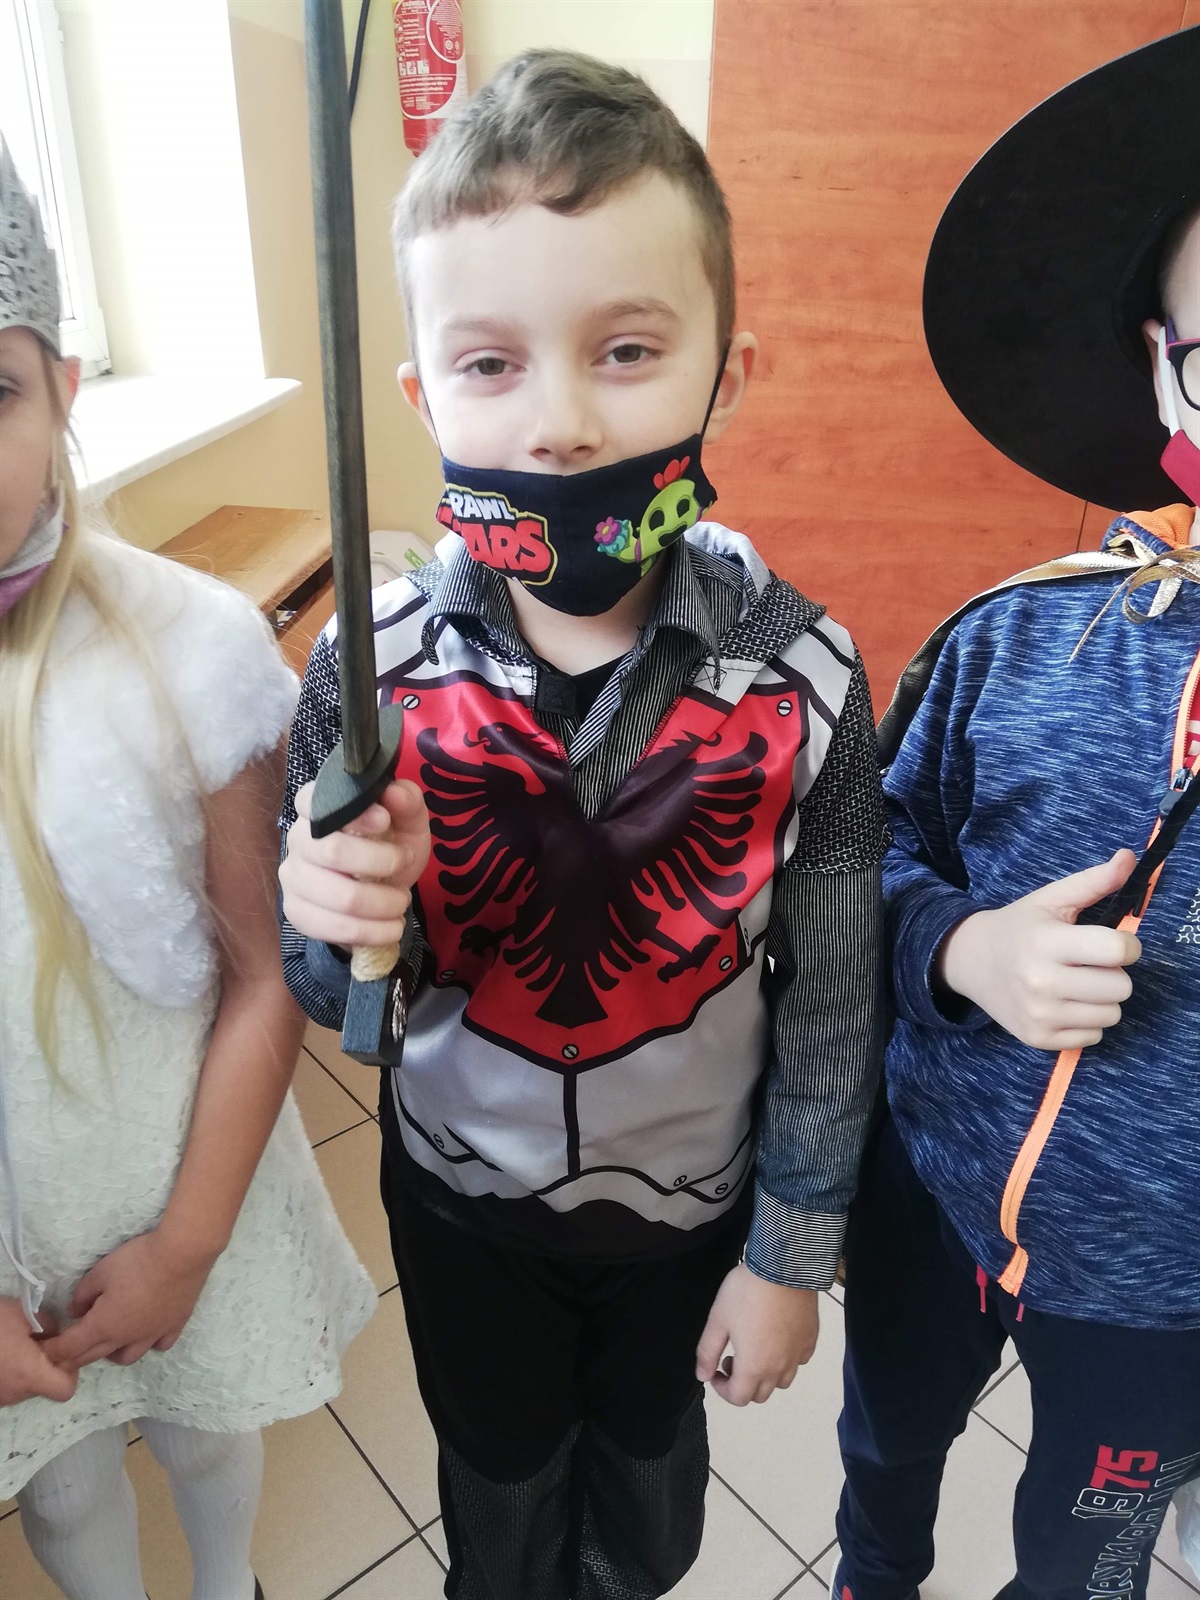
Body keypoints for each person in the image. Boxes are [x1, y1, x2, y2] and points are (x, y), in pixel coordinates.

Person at [279, 50, 889, 1600]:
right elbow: (335, 1000)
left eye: (624, 350)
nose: (556, 422)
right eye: (490, 364)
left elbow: (833, 993)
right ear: (421, 393)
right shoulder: (364, 674)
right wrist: (334, 922)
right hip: (459, 1207)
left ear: (723, 375)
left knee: (647, 1508)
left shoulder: (810, 677)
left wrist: (790, 1250)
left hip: (689, 1216)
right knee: (497, 1501)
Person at [831, 30, 1200, 1600]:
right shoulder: (1014, 633)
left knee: (1079, 1557)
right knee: (885, 1449)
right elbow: (861, 856)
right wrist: (963, 950)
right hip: (929, 1185)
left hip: (1159, 1297)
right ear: (1165, 366)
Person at [0, 141, 375, 1600]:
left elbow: (262, 971)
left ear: (62, 390)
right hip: (17, 1220)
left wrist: (189, 1242)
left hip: (179, 1173)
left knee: (209, 1426)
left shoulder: (195, 651)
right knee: (62, 1475)